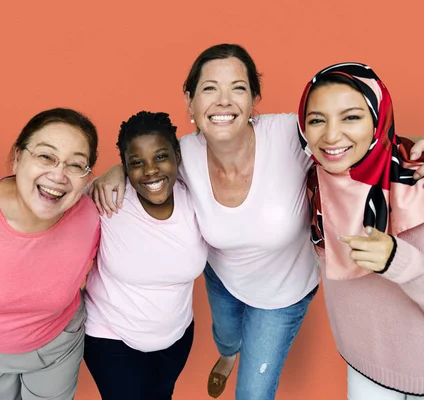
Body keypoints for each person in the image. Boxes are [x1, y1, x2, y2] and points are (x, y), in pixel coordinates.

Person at [88, 44, 424, 400]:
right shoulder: (182, 154)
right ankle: (228, 354)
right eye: (209, 89)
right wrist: (117, 171)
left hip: (283, 294)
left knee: (252, 394)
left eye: (237, 87)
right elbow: (148, 164)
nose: (223, 100)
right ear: (190, 102)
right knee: (227, 333)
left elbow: (357, 140)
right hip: (223, 278)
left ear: (253, 99)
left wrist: (416, 146)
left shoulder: (290, 135)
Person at [0, 108, 100, 400]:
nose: (58, 175)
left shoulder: (93, 216)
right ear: (18, 158)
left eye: (76, 165)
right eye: (46, 156)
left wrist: (117, 173)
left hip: (59, 346)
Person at [298, 62, 424, 399]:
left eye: (351, 117)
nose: (331, 134)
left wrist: (399, 261)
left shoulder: (418, 185)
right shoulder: (313, 187)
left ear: (378, 119)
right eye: (316, 120)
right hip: (364, 366)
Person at [83, 111, 208, 400]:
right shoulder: (108, 199)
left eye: (161, 157)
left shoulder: (195, 197)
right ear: (125, 166)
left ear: (177, 155)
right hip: (111, 336)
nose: (150, 171)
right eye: (136, 163)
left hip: (176, 336)